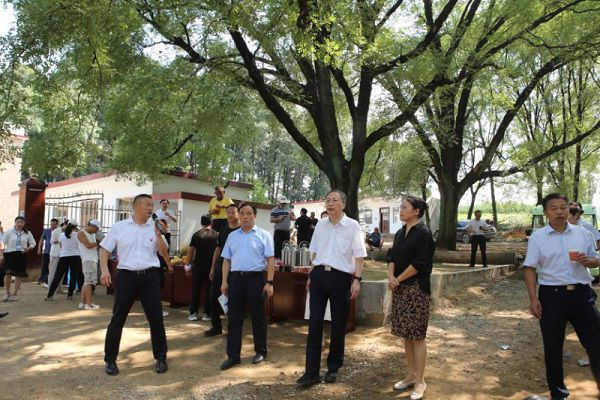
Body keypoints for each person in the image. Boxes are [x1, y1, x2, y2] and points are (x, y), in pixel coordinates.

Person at [524, 193, 600, 400]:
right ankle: (558, 393)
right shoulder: (538, 238)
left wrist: (591, 261)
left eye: (563, 207)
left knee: (596, 343)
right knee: (553, 347)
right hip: (552, 297)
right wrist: (533, 298)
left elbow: (596, 260)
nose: (559, 212)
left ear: (568, 209)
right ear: (546, 212)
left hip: (582, 295)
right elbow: (530, 268)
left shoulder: (583, 234)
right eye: (554, 208)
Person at [297, 190, 367, 387]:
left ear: (343, 204)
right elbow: (315, 252)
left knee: (338, 324)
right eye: (328, 200)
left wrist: (357, 279)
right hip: (319, 276)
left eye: (335, 200)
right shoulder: (320, 224)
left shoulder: (353, 226)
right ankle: (311, 372)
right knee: (314, 324)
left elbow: (359, 256)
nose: (330, 203)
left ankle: (333, 367)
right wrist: (311, 274)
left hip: (341, 278)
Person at [99, 194, 173, 376]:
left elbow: (164, 252)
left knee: (156, 318)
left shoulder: (153, 227)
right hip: (127, 277)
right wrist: (105, 270)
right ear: (136, 206)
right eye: (148, 205)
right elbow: (104, 250)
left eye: (152, 205)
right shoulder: (120, 227)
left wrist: (159, 235)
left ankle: (161, 357)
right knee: (118, 318)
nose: (151, 208)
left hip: (150, 277)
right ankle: (110, 359)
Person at [387, 196, 435, 400]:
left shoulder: (424, 234)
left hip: (416, 290)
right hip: (400, 289)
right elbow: (391, 256)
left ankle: (420, 381)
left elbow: (420, 263)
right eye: (401, 207)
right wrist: (390, 277)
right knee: (406, 335)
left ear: (416, 211)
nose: (401, 210)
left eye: (405, 207)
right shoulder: (400, 233)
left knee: (417, 336)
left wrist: (397, 279)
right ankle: (411, 375)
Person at [219, 203, 275, 370]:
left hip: (255, 280)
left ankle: (261, 351)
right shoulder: (232, 236)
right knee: (234, 318)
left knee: (257, 317)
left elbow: (270, 260)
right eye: (242, 213)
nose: (245, 216)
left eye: (249, 213)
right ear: (239, 215)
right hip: (236, 279)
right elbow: (226, 261)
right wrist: (224, 281)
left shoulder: (264, 235)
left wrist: (270, 282)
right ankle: (233, 356)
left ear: (254, 216)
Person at [205, 204, 240, 337]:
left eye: (233, 213)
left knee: (234, 299)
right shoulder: (224, 229)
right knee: (214, 296)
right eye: (228, 213)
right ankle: (216, 326)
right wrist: (213, 268)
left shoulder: (241, 230)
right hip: (221, 265)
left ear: (238, 214)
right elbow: (218, 249)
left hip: (236, 267)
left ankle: (233, 329)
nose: (230, 215)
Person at [185, 215, 218, 322]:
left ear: (201, 223)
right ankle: (207, 314)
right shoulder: (217, 235)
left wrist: (187, 265)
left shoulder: (196, 234)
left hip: (198, 266)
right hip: (211, 267)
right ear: (211, 222)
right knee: (209, 290)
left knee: (196, 290)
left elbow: (190, 251)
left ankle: (193, 313)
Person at [0, 216, 36, 301]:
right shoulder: (8, 232)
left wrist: (28, 248)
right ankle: (7, 293)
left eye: (22, 222)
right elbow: (2, 243)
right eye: (18, 222)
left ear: (24, 224)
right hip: (9, 254)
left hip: (21, 255)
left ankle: (14, 294)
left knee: (19, 275)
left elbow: (33, 243)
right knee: (8, 273)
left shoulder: (27, 233)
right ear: (15, 222)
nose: (20, 224)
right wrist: (1, 255)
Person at [46, 220, 82, 300]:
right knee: (73, 276)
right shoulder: (78, 235)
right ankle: (70, 295)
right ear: (76, 226)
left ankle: (50, 295)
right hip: (75, 257)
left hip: (64, 256)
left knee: (57, 276)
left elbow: (61, 246)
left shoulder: (62, 235)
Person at [77, 219, 101, 310]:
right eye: (96, 228)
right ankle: (89, 304)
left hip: (92, 260)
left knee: (86, 282)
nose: (97, 231)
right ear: (92, 226)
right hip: (88, 260)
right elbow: (88, 245)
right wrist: (97, 242)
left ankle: (82, 303)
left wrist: (98, 243)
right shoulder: (81, 233)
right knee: (89, 283)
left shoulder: (93, 234)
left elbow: (94, 246)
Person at [37, 218, 58, 286]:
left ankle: (49, 280)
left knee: (52, 267)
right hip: (47, 251)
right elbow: (41, 240)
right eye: (51, 224)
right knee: (45, 266)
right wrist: (39, 249)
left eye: (54, 224)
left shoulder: (58, 232)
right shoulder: (46, 231)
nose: (52, 225)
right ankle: (42, 279)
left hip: (55, 252)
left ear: (56, 225)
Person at [47, 221, 65, 294]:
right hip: (55, 253)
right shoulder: (56, 231)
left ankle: (59, 288)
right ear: (64, 224)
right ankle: (50, 287)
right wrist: (60, 240)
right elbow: (51, 241)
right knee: (52, 271)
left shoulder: (69, 232)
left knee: (62, 272)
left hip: (64, 254)